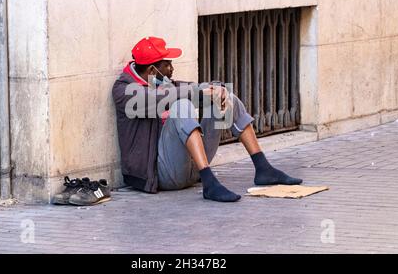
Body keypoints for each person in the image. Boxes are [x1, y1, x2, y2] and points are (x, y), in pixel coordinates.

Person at [112, 36, 302, 202]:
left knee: (226, 99)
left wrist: (215, 89)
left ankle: (263, 168)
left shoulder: (161, 81)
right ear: (153, 70)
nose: (172, 68)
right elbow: (164, 98)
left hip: (188, 170)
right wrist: (199, 92)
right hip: (159, 175)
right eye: (167, 64)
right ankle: (209, 182)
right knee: (181, 105)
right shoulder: (125, 91)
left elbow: (190, 88)